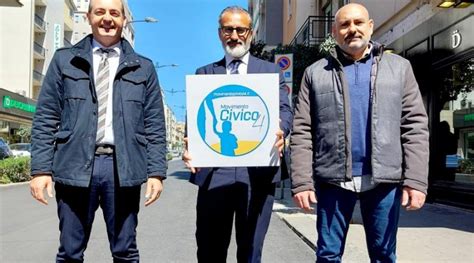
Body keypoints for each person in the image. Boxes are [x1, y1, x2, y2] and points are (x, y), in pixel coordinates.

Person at [29, 0, 167, 261]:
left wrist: (156, 172)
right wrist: (40, 170)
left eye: (114, 13)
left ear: (124, 20)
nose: (107, 19)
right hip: (74, 167)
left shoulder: (143, 67)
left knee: (125, 252)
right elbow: (46, 117)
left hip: (122, 169)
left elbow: (155, 125)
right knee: (70, 252)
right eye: (100, 12)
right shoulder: (64, 60)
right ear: (89, 16)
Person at [290, 3, 429, 262]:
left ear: (370, 26)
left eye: (358, 23)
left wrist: (416, 180)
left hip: (383, 181)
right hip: (332, 180)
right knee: (328, 255)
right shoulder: (315, 73)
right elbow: (302, 131)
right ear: (334, 32)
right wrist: (301, 181)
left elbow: (415, 125)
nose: (352, 29)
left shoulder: (399, 68)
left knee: (384, 255)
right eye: (344, 24)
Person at [182, 6, 292, 263]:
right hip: (214, 173)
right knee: (210, 250)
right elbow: (197, 119)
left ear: (251, 33)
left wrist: (282, 130)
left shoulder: (270, 72)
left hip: (257, 172)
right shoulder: (205, 74)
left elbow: (285, 109)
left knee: (251, 251)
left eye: (240, 29)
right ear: (220, 33)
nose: (235, 35)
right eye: (228, 29)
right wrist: (191, 145)